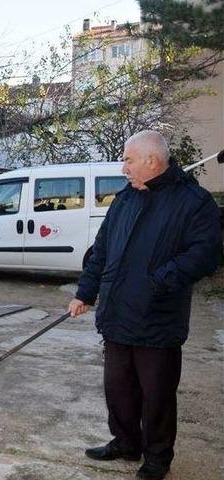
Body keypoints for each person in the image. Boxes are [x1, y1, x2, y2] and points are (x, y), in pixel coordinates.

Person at [67, 131, 221, 480]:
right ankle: (125, 442)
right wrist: (85, 293)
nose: (124, 167)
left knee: (157, 397)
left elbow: (205, 255)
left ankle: (156, 459)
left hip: (158, 319)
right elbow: (101, 251)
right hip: (118, 316)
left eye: (128, 160)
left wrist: (158, 281)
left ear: (151, 161)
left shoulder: (194, 203)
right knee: (118, 388)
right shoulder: (125, 199)